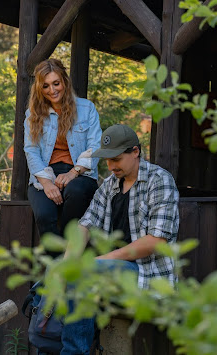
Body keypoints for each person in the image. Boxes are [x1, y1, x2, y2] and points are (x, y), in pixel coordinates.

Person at [61, 124, 180, 355]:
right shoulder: (109, 186)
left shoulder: (159, 180)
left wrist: (100, 261)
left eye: (116, 158)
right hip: (112, 270)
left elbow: (155, 241)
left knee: (86, 273)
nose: (111, 166)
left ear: (135, 152)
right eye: (107, 160)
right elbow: (84, 225)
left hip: (149, 276)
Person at [24, 58, 101, 237]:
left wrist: (73, 173)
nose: (52, 90)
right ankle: (56, 261)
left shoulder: (86, 108)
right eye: (46, 86)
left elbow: (95, 145)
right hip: (45, 173)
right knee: (44, 215)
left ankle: (68, 247)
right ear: (39, 89)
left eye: (56, 83)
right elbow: (31, 150)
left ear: (64, 81)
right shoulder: (33, 114)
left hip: (80, 173)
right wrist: (46, 183)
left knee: (76, 192)